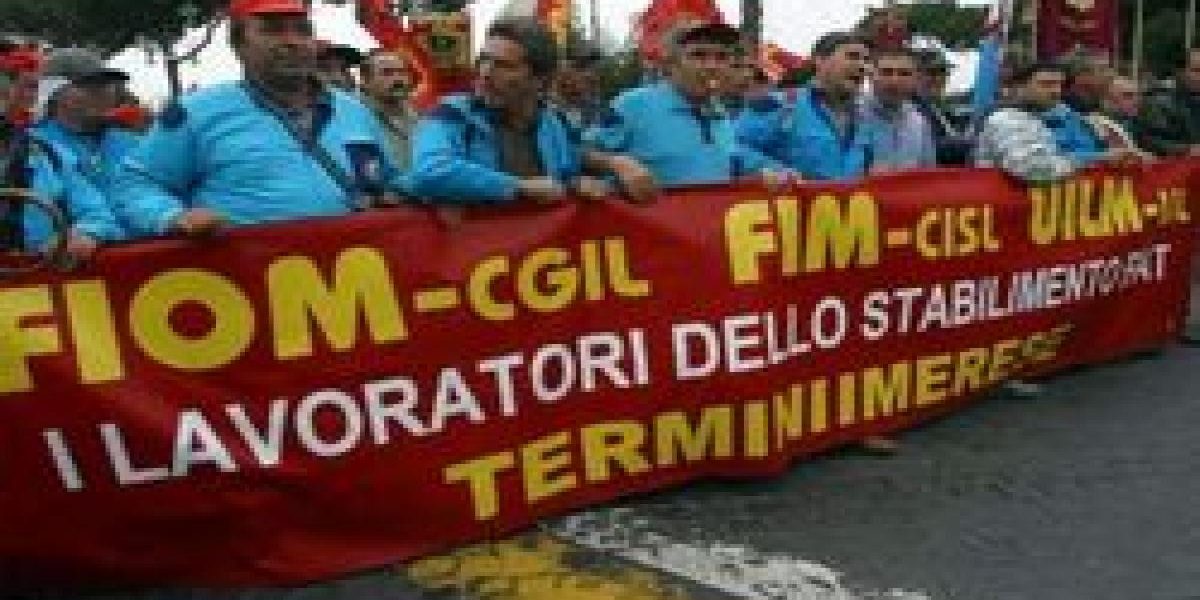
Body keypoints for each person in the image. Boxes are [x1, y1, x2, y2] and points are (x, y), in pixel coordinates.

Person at [114, 0, 411, 238]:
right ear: (238, 45)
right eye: (273, 30)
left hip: (354, 283)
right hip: (248, 286)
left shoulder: (354, 112)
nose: (292, 42)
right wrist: (172, 217)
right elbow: (136, 184)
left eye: (302, 30)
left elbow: (387, 182)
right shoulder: (195, 113)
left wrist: (409, 193)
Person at [411, 18, 653, 204]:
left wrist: (613, 166)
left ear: (539, 79)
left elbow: (573, 164)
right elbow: (429, 172)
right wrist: (518, 187)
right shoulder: (451, 115)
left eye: (503, 65)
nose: (485, 73)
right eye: (483, 60)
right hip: (475, 253)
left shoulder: (555, 123)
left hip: (541, 254)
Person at [585, 21, 784, 187]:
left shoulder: (718, 112)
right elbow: (580, 154)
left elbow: (728, 161)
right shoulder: (633, 105)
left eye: (722, 56)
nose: (712, 66)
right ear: (671, 63)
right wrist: (615, 163)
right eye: (698, 55)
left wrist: (772, 173)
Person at [15, 48, 133, 261]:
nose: (103, 92)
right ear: (53, 92)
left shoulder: (135, 143)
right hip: (72, 273)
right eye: (88, 85)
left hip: (153, 265)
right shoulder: (32, 148)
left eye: (107, 84)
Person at [737, 31, 872, 181]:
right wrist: (776, 171)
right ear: (820, 60)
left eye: (866, 60)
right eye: (852, 56)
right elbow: (735, 148)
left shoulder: (865, 118)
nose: (862, 66)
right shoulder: (781, 105)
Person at [975, 61, 1123, 183]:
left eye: (1059, 85)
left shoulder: (1041, 115)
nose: (1056, 91)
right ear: (1019, 87)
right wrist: (1097, 159)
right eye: (1046, 84)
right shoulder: (1005, 119)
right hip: (1005, 205)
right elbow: (1034, 169)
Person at [861, 48, 936, 173]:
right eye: (886, 72)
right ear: (871, 77)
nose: (894, 81)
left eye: (904, 73)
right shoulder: (854, 116)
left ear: (915, 79)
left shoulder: (920, 123)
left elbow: (929, 173)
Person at [360, 49, 419, 170]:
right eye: (387, 73)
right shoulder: (358, 118)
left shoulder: (415, 114)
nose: (398, 79)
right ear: (366, 81)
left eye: (401, 72)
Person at [913, 48, 972, 166]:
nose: (939, 78)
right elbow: (929, 146)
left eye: (943, 72)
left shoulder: (940, 107)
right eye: (932, 73)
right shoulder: (912, 108)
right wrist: (970, 143)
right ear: (916, 75)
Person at [1139, 48, 1200, 157]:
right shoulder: (1159, 102)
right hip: (1179, 164)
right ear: (1181, 72)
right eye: (1197, 70)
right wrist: (1187, 150)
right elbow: (1150, 141)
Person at [549, 44, 608, 140]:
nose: (590, 74)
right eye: (580, 68)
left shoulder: (600, 109)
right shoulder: (548, 114)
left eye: (594, 68)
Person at [1085, 75, 1149, 159]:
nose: (1137, 100)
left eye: (1138, 95)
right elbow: (1132, 156)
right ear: (1108, 100)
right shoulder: (1099, 122)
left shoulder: (1136, 122)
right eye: (1128, 95)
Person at [1061, 49, 1114, 115]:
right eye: (1102, 70)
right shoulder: (1065, 112)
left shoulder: (1103, 104)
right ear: (1081, 75)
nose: (1110, 74)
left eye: (1109, 69)